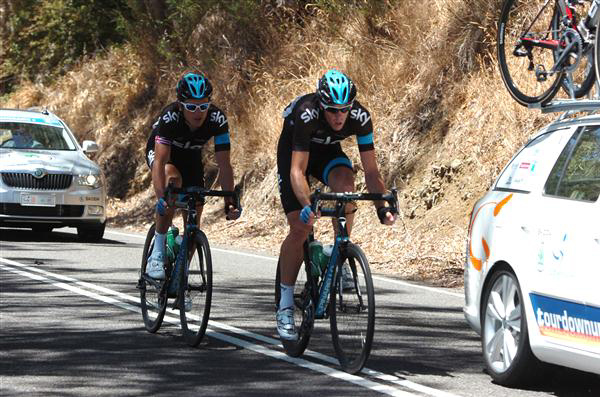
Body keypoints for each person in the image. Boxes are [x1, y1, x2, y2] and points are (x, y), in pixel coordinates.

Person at [275, 69, 396, 340]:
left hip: (328, 153)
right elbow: (297, 172)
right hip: (295, 155)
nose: (339, 116)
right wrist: (308, 205)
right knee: (300, 227)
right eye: (332, 110)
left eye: (344, 110)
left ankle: (339, 251)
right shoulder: (306, 114)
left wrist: (382, 207)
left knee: (347, 187)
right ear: (321, 104)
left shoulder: (361, 117)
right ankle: (284, 306)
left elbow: (372, 172)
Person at [144, 71, 241, 280]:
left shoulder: (217, 119)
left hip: (190, 157)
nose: (198, 112)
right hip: (164, 154)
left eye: (203, 106)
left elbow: (224, 164)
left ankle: (181, 276)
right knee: (173, 181)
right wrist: (161, 197)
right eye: (191, 107)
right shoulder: (170, 117)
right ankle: (157, 253)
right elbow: (160, 162)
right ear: (181, 105)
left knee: (195, 219)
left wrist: (230, 201)